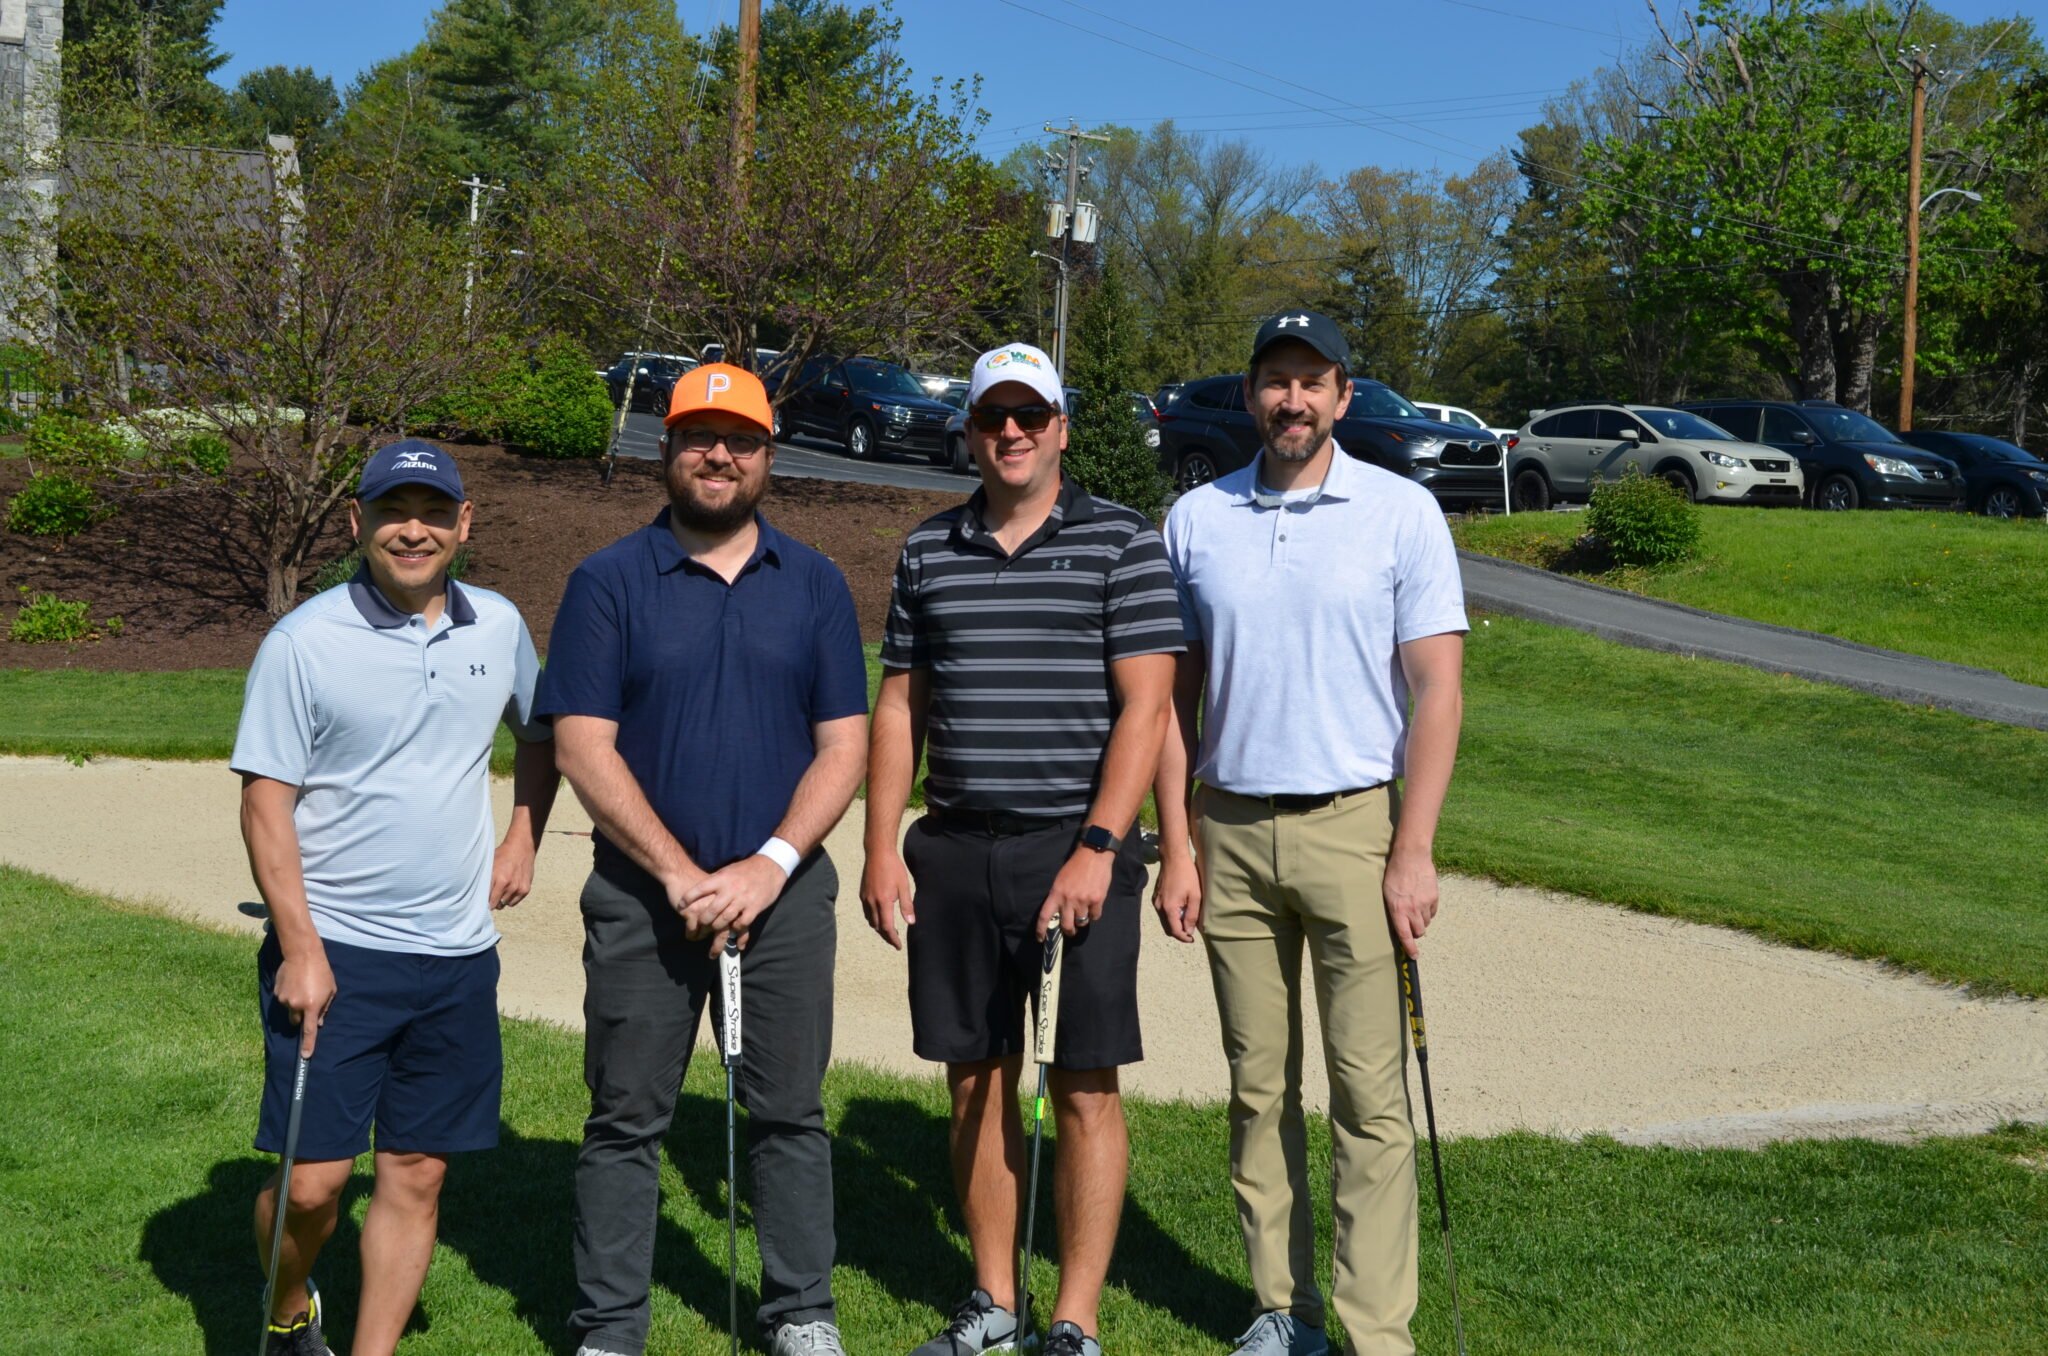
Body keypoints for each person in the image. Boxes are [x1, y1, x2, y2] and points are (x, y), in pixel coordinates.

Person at [1151, 310, 1468, 1356]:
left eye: (1311, 381)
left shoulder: (1400, 513)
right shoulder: (1195, 517)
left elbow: (1436, 691)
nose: (1291, 399)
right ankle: (1278, 1314)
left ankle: (1374, 1331)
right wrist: (1179, 843)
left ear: (1341, 394)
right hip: (1230, 829)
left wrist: (1412, 849)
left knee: (1368, 1098)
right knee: (1255, 1088)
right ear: (1248, 396)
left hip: (1355, 830)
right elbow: (1170, 700)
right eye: (1273, 381)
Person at [538, 363, 869, 1356]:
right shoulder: (605, 582)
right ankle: (609, 1327)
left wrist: (768, 864)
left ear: (769, 456)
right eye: (696, 436)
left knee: (787, 1113)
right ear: (664, 449)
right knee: (625, 1119)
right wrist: (680, 874)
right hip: (644, 900)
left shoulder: (811, 584)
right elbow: (581, 745)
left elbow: (843, 745)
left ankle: (800, 1312)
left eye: (738, 439)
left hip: (783, 896)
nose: (716, 455)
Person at [861, 342, 1182, 1356]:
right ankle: (993, 1303)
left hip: (1071, 845)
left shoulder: (1122, 543)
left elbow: (1146, 706)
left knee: (1082, 1081)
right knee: (974, 1076)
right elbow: (899, 705)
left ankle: (1073, 1318)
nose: (1010, 432)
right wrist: (878, 846)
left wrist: (1100, 847)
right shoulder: (927, 550)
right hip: (954, 847)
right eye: (992, 417)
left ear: (1060, 429)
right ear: (969, 430)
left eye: (1029, 416)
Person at [233, 439, 559, 1356]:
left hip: (456, 957)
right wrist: (300, 949)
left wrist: (523, 831)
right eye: (390, 512)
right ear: (357, 523)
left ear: (464, 524)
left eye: (430, 512)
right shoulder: (302, 643)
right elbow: (265, 803)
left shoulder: (496, 627)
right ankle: (290, 1305)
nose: (410, 530)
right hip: (336, 951)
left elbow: (541, 732)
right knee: (311, 1186)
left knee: (415, 1174)